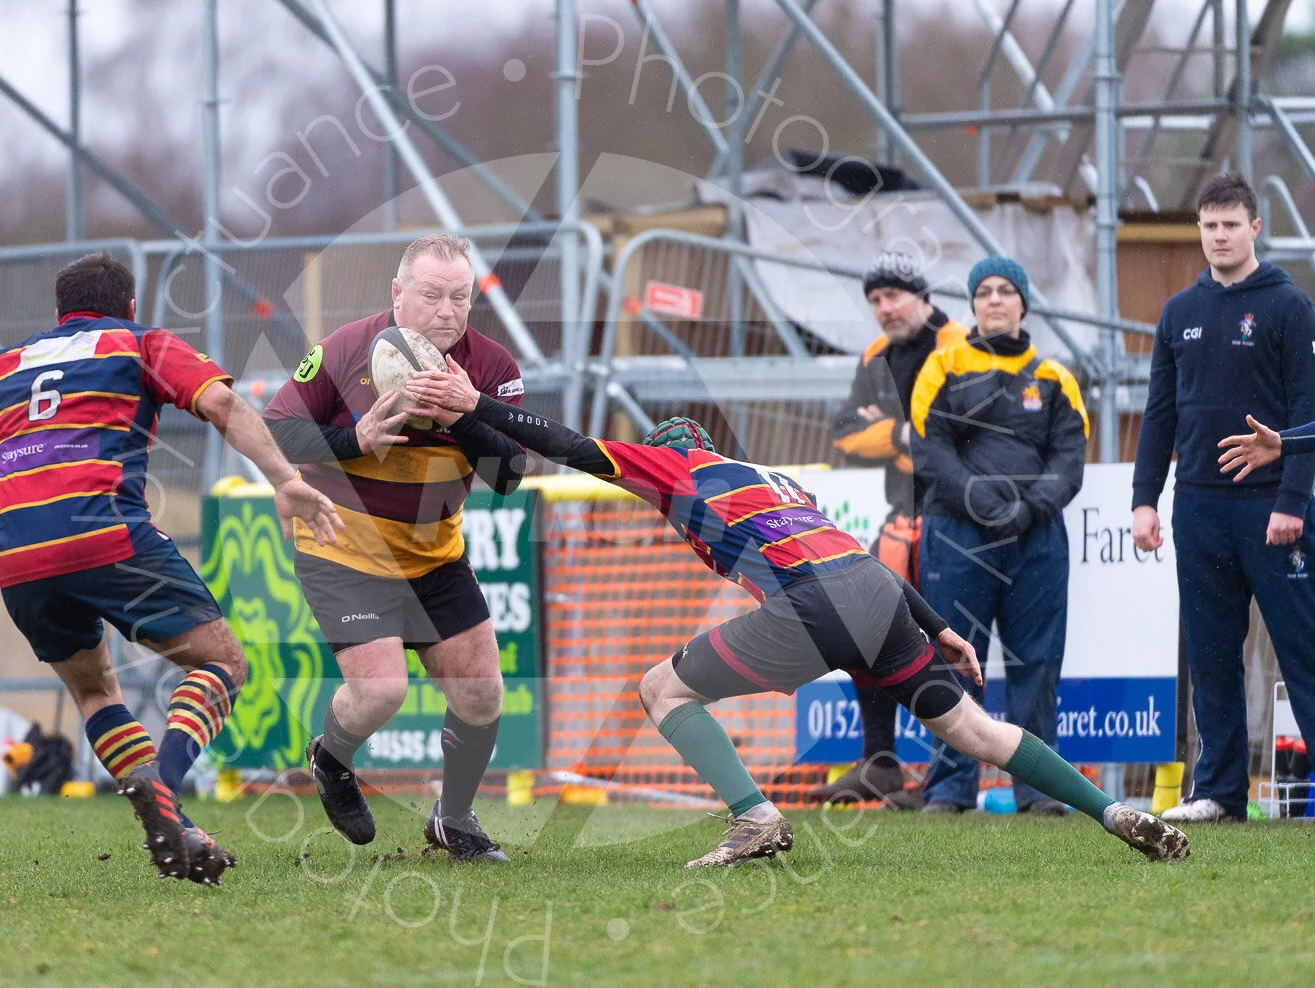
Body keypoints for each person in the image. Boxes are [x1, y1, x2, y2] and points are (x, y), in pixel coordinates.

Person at [404, 370, 1188, 867]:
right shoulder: (773, 479)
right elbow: (863, 560)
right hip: (875, 594)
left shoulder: (678, 467)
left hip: (817, 605)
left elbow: (570, 446)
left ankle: (755, 819)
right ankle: (1113, 812)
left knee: (661, 690)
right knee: (978, 733)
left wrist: (476, 405)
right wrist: (940, 624)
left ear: (673, 453)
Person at [0, 251, 343, 885]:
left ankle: (173, 829)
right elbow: (224, 406)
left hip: (20, 554)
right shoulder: (139, 342)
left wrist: (7, 510)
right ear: (131, 306)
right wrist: (284, 479)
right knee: (222, 662)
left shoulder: (4, 364)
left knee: (92, 690)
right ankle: (165, 792)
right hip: (106, 531)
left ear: (59, 313)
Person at [262, 233, 526, 861]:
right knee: (381, 692)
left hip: (433, 556)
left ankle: (453, 820)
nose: (446, 310)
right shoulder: (344, 349)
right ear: (397, 293)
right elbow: (276, 430)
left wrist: (465, 415)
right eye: (431, 295)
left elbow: (510, 476)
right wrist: (353, 439)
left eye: (459, 297)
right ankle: (330, 758)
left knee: (482, 693)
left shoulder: (492, 368)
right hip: (343, 549)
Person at [1133, 171, 1315, 824]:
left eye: (1230, 224)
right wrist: (1145, 500)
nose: (1218, 236)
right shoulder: (1179, 312)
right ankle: (1219, 792)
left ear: (1255, 228)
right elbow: (1159, 414)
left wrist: (1292, 501)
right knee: (1211, 654)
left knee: (1303, 649)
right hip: (1199, 507)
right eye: (1208, 226)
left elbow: (1305, 406)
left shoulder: (1289, 305)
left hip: (1273, 505)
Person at [909, 255, 1089, 815]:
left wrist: (1029, 507)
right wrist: (985, 502)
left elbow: (1070, 456)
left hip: (1035, 538)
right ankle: (948, 790)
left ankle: (1040, 792)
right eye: (983, 291)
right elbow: (929, 448)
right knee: (956, 659)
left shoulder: (1055, 377)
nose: (994, 299)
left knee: (1036, 662)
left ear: (1023, 303)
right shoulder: (941, 367)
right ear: (972, 304)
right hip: (958, 533)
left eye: (1005, 290)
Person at [814, 251, 968, 807]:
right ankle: (881, 761)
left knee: (946, 639)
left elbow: (948, 437)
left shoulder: (961, 345)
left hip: (956, 518)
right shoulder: (876, 355)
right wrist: (903, 437)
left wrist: (899, 433)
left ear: (923, 296)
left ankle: (947, 781)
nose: (883, 308)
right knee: (863, 627)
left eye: (892, 296)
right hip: (898, 518)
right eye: (875, 300)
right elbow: (843, 434)